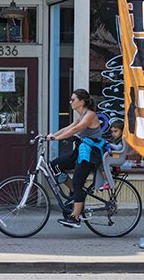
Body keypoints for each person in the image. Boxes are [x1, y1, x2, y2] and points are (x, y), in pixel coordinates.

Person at [46, 88, 108, 229]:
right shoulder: (81, 115)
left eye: (73, 99)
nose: (70, 102)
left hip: (90, 154)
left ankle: (76, 217)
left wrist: (55, 138)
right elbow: (69, 127)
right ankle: (73, 192)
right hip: (81, 151)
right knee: (54, 165)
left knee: (78, 182)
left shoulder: (90, 115)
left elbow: (75, 130)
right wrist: (50, 136)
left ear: (82, 101)